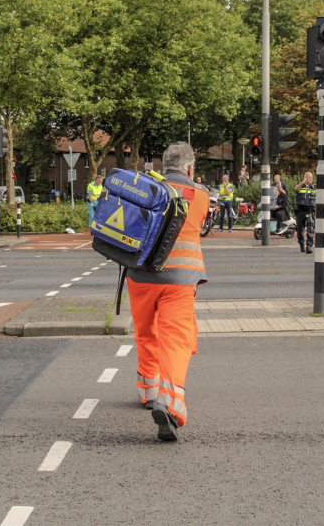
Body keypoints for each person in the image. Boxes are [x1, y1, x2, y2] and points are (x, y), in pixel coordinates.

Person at [126, 141, 209, 441]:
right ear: (189, 168)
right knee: (175, 338)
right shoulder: (200, 195)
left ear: (163, 166)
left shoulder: (145, 189)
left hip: (139, 276)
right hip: (179, 279)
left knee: (146, 332)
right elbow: (198, 226)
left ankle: (148, 390)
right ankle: (170, 401)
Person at [294, 171, 316, 253]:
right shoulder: (300, 186)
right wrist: (301, 183)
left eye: (312, 178)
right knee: (300, 229)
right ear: (305, 178)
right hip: (300, 210)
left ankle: (309, 246)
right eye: (309, 177)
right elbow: (295, 189)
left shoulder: (314, 187)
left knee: (310, 228)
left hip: (310, 210)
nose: (311, 179)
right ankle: (301, 244)